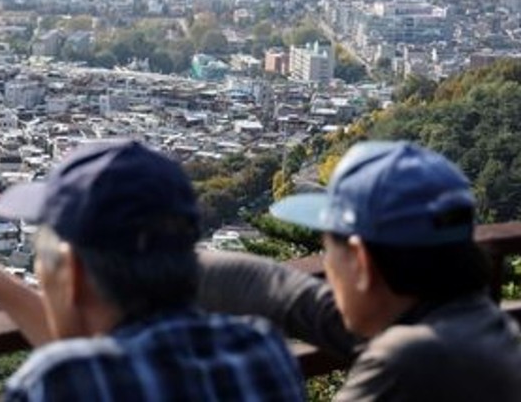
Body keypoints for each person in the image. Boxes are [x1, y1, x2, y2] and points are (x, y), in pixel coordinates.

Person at [0, 140, 305, 401]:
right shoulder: (258, 349)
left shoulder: (57, 382)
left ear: (71, 273)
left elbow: (88, 367)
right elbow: (123, 365)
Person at [197, 140, 521, 401]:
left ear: (361, 259)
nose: (326, 265)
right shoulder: (479, 324)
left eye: (328, 251)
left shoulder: (407, 361)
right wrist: (174, 263)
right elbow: (290, 296)